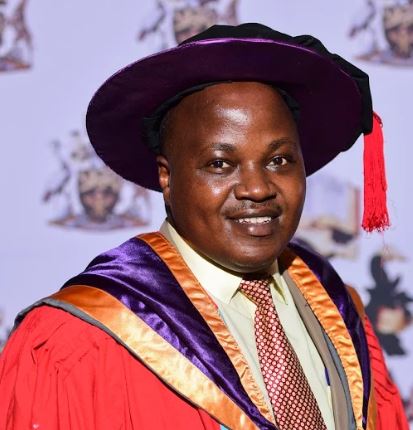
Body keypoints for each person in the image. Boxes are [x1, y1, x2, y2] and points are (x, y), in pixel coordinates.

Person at [0, 23, 409, 430]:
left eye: (279, 160)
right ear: (167, 176)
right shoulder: (76, 339)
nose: (257, 188)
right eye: (220, 164)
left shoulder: (338, 309)